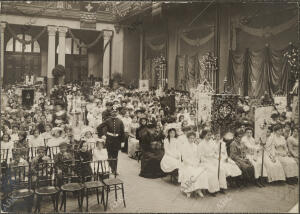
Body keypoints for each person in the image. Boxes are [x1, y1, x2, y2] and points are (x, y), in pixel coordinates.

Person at [179, 131, 208, 198]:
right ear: (187, 138)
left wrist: (197, 163)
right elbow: (184, 158)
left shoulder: (195, 146)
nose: (192, 140)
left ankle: (198, 189)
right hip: (186, 164)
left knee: (202, 172)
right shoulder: (184, 146)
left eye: (193, 138)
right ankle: (188, 190)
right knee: (191, 172)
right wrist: (191, 164)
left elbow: (197, 157)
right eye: (190, 138)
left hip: (195, 163)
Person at [198, 129, 227, 195]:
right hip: (205, 161)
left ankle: (221, 187)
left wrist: (218, 157)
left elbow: (215, 153)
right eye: (208, 135)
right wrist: (208, 161)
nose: (209, 136)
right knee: (213, 171)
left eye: (210, 135)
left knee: (221, 169)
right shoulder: (201, 144)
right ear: (204, 135)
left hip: (212, 159)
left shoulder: (212, 143)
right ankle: (212, 190)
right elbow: (200, 156)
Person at [97, 105, 124, 175]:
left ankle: (114, 170)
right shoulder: (108, 120)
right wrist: (102, 135)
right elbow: (99, 127)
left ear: (117, 112)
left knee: (115, 156)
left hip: (117, 141)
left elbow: (122, 132)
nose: (114, 113)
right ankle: (108, 169)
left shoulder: (120, 121)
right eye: (113, 112)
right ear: (111, 112)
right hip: (109, 140)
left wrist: (122, 141)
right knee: (109, 155)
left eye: (115, 112)